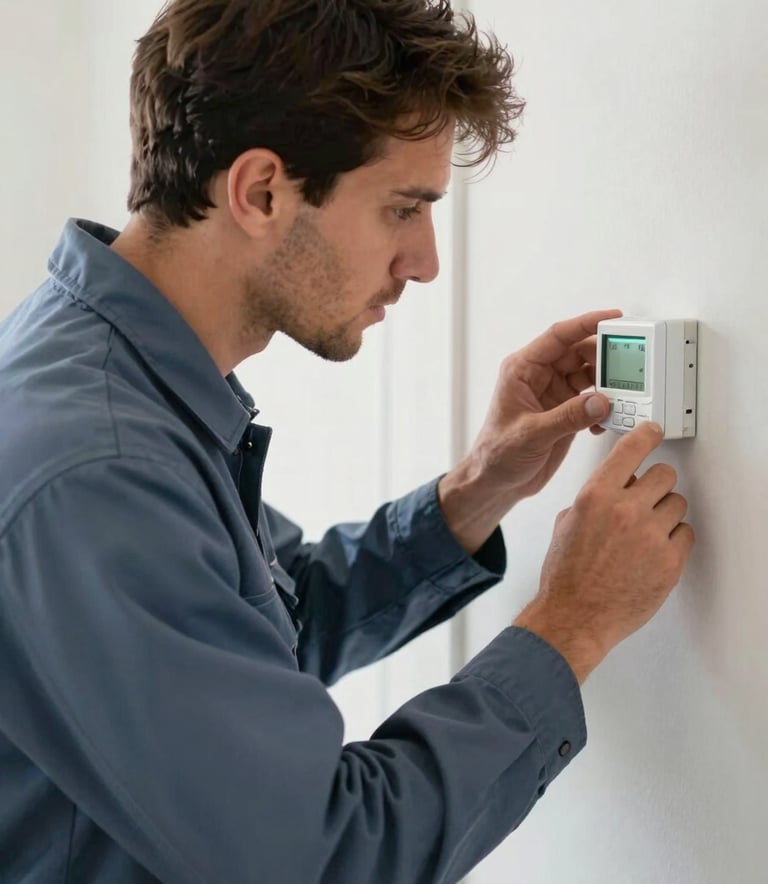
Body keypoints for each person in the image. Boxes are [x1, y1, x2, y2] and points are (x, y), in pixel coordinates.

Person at [0, 0, 695, 881]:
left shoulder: (114, 376)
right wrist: (571, 626)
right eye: (402, 208)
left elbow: (267, 630)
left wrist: (474, 492)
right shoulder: (100, 471)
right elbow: (322, 859)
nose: (425, 260)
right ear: (260, 191)